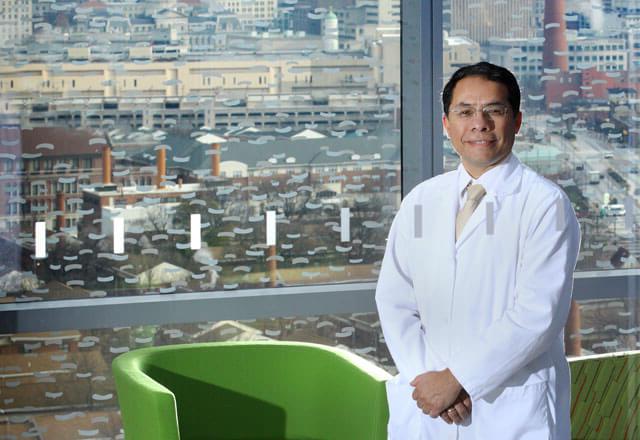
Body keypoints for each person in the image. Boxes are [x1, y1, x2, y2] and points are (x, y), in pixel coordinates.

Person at [375, 61, 581, 439]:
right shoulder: (421, 201)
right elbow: (394, 299)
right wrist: (429, 380)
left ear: (516, 121)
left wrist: (460, 379)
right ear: (446, 124)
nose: (479, 123)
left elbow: (537, 316)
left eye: (494, 111)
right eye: (465, 111)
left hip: (510, 411)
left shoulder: (545, 204)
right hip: (428, 407)